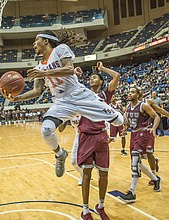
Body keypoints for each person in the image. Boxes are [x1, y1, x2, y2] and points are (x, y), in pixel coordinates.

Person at [1, 29, 123, 179]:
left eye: (36, 40)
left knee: (119, 120)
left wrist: (45, 73)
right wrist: (16, 99)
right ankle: (60, 154)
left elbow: (69, 69)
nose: (33, 44)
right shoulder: (39, 66)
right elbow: (37, 91)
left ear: (46, 41)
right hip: (61, 101)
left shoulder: (60, 49)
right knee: (46, 130)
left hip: (79, 95)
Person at [76, 61, 119, 220]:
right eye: (91, 78)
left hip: (101, 136)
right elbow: (68, 88)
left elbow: (116, 76)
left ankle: (100, 206)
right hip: (86, 136)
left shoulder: (105, 95)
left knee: (104, 174)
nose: (92, 79)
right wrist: (74, 74)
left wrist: (102, 69)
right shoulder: (83, 93)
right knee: (86, 174)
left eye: (95, 78)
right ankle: (85, 210)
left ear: (101, 81)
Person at [119, 86, 161, 203]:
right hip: (134, 134)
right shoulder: (127, 107)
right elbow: (127, 123)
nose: (129, 93)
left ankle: (132, 192)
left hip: (144, 133)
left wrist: (153, 128)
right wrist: (125, 128)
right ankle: (155, 179)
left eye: (132, 92)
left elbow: (156, 116)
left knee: (135, 161)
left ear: (138, 95)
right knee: (137, 162)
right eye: (128, 92)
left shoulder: (143, 105)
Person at [139, 89, 169, 186]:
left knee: (148, 153)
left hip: (147, 131)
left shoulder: (148, 102)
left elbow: (160, 110)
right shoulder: (131, 104)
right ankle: (154, 160)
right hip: (137, 133)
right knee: (139, 155)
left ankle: (154, 176)